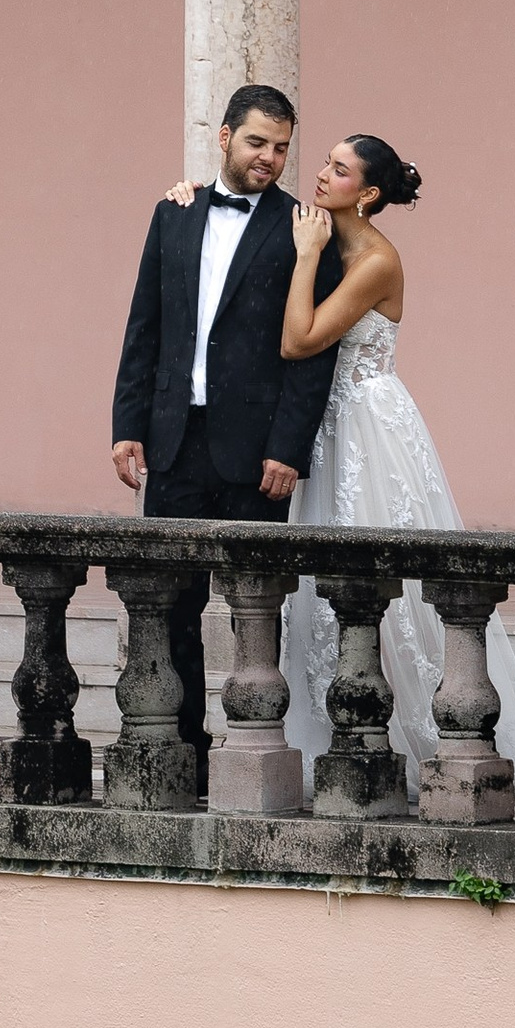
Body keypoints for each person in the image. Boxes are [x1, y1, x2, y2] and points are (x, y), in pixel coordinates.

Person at [166, 131, 515, 797]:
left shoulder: (373, 257)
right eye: (326, 162)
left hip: (368, 430)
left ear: (366, 193)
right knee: (319, 592)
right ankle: (338, 738)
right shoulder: (314, 231)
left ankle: (427, 738)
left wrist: (308, 254)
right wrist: (189, 194)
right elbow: (241, 215)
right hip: (324, 427)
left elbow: (300, 338)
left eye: (339, 170)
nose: (321, 174)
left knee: (392, 592)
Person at [110, 82, 343, 757]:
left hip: (257, 452)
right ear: (224, 138)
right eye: (256, 142)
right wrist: (127, 425)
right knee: (167, 604)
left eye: (280, 147)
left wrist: (288, 447)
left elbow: (311, 355)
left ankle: (254, 741)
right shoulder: (173, 215)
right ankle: (178, 742)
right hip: (175, 439)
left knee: (254, 605)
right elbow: (145, 327)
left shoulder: (304, 229)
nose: (268, 157)